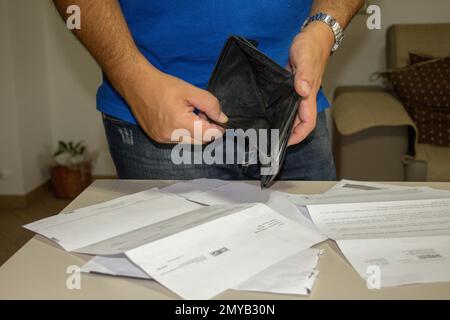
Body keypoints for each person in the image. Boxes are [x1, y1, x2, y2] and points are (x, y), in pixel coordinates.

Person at [53, 0, 363, 181]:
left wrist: (324, 30)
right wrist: (132, 77)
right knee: (174, 284)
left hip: (292, 110)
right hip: (162, 121)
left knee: (313, 275)